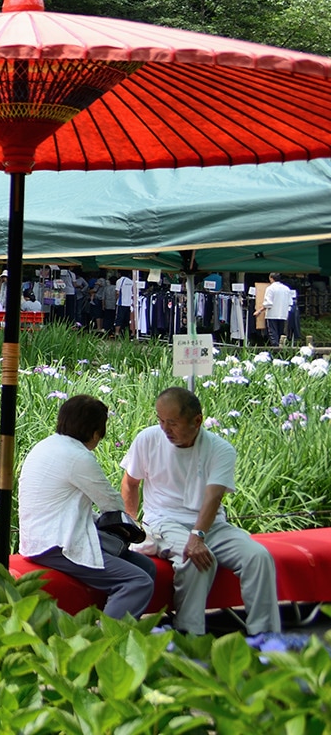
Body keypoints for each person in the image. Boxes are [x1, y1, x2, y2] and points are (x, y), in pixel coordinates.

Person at [120, 387, 280, 637]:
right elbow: (130, 482)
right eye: (161, 420)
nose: (165, 429)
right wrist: (130, 524)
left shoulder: (220, 449)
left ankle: (266, 636)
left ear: (197, 421)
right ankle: (189, 634)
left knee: (258, 557)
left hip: (211, 524)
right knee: (196, 559)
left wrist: (198, 534)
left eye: (172, 423)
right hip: (163, 520)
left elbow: (213, 496)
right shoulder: (148, 438)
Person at [19, 395, 158, 620]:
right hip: (57, 544)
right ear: (95, 433)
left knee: (146, 567)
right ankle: (105, 643)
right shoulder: (77, 456)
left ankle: (116, 622)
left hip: (43, 536)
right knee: (137, 582)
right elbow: (111, 504)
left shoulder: (45, 445)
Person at [262, 273, 295, 347]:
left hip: (272, 313)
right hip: (283, 313)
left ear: (271, 278)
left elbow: (268, 303)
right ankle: (282, 346)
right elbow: (290, 302)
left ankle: (275, 347)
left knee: (273, 332)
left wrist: (261, 309)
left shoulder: (270, 288)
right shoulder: (286, 288)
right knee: (281, 332)